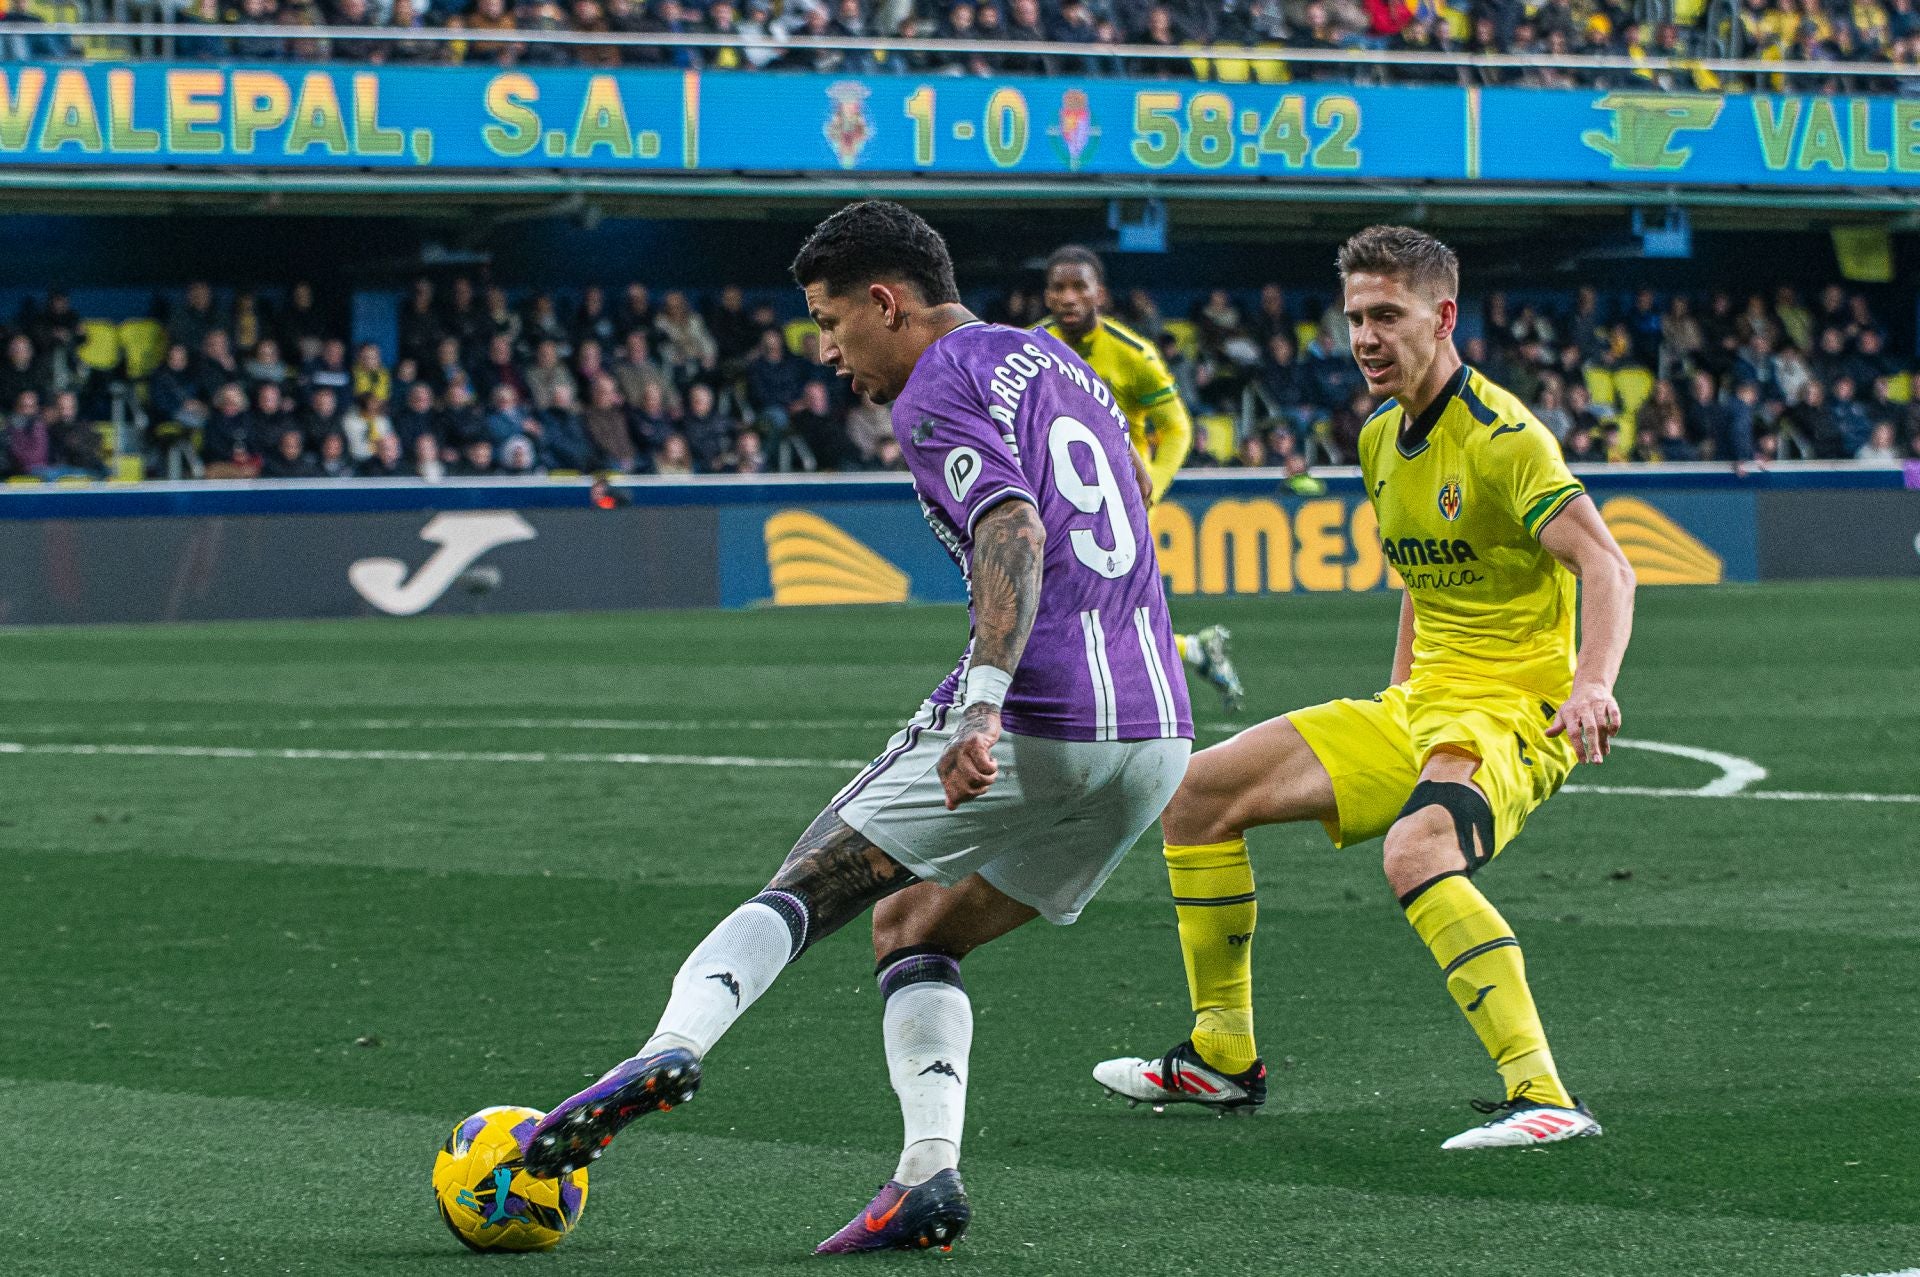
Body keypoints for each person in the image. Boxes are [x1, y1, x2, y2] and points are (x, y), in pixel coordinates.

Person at [519, 201, 1192, 1255]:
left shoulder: (935, 388)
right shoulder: (1062, 365)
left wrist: (982, 700)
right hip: (1155, 736)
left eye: (832, 323)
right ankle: (926, 1173)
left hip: (1037, 713)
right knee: (914, 929)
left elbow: (1010, 521)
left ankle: (671, 1042)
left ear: (888, 302)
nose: (828, 354)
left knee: (807, 882)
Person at [1093, 225, 1637, 1150]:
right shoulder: (1379, 435)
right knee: (1193, 796)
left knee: (1418, 851)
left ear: (1443, 316)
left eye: (1388, 315)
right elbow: (1418, 583)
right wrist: (1400, 703)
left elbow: (1607, 563)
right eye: (1355, 318)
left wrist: (1591, 686)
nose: (1366, 337)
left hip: (1515, 707)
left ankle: (1542, 1096)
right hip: (1423, 702)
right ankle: (1222, 1057)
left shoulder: (1507, 439)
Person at [1036, 245, 1246, 712]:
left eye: (1079, 287)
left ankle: (1101, 708)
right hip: (1052, 500)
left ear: (1100, 295)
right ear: (1047, 295)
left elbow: (1177, 428)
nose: (1068, 297)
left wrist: (1151, 485)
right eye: (1058, 287)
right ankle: (1192, 652)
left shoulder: (1134, 355)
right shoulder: (1032, 348)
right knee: (1085, 613)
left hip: (1115, 505)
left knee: (1089, 613)